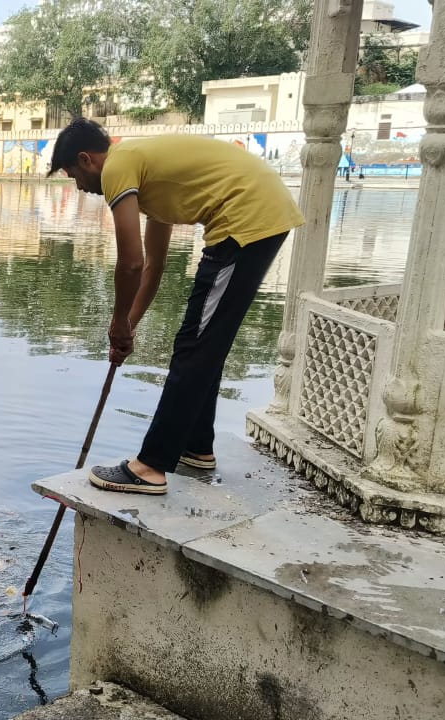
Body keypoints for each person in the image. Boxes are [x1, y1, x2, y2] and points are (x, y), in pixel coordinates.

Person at [51, 118, 303, 495]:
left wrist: (118, 321)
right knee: (204, 341)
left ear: (87, 160)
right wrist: (128, 329)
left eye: (74, 175)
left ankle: (150, 466)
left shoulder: (119, 166)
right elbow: (153, 267)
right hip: (257, 216)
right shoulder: (145, 174)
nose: (80, 187)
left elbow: (131, 263)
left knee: (195, 345)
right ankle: (196, 446)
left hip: (245, 220)